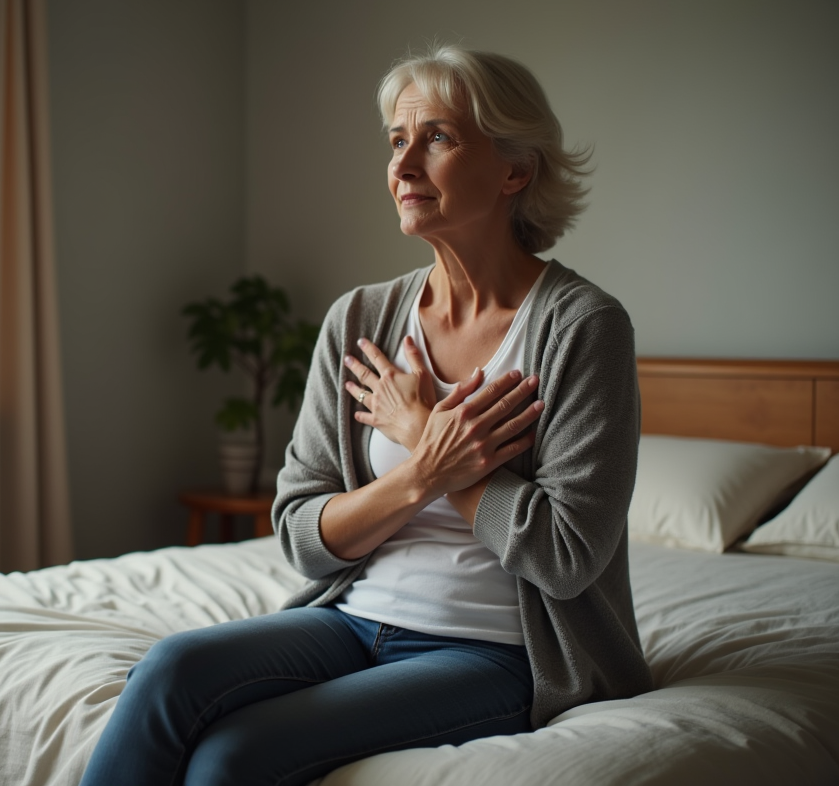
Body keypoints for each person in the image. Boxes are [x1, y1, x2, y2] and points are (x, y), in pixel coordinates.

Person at [79, 44, 652, 786]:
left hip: (494, 650)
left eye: (438, 138)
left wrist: (423, 435)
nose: (404, 165)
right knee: (167, 671)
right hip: (350, 620)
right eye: (395, 141)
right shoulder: (360, 319)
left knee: (233, 756)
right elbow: (299, 532)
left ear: (517, 170)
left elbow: (567, 557)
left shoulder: (582, 328)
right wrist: (420, 476)